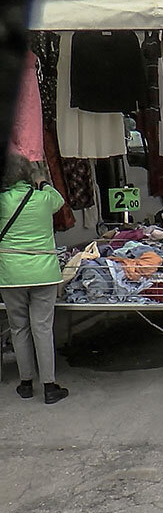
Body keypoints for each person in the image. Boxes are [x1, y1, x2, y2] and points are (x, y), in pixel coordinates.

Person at [0, 154, 69, 404]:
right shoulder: (43, 198)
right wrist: (42, 181)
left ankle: (26, 383)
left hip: (11, 274)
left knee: (19, 328)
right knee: (42, 328)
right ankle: (50, 386)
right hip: (44, 272)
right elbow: (60, 200)